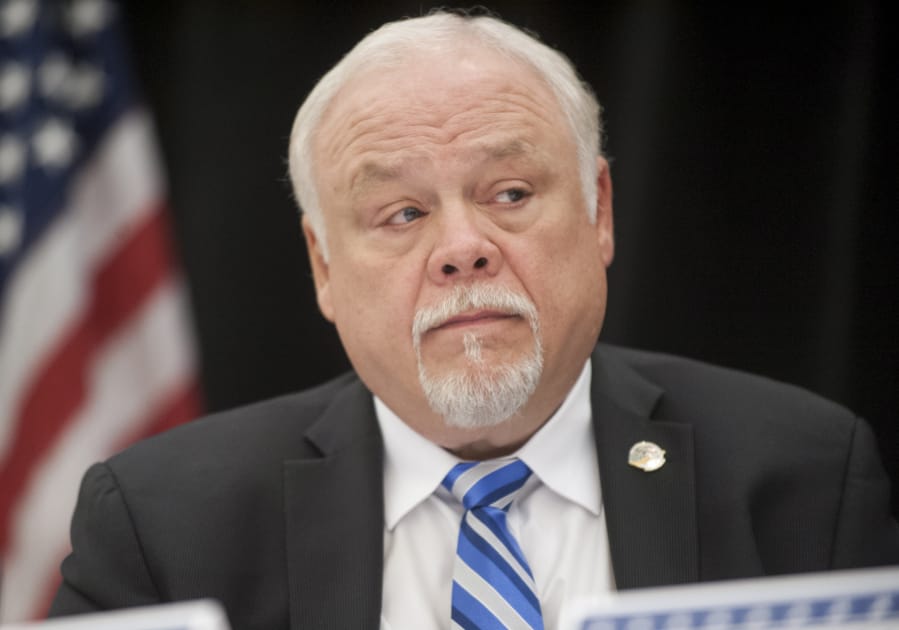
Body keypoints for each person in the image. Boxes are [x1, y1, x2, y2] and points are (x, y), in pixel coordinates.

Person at [49, 10, 899, 630]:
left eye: (510, 194)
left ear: (598, 211)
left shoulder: (803, 476)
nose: (462, 248)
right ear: (324, 267)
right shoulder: (161, 523)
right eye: (402, 214)